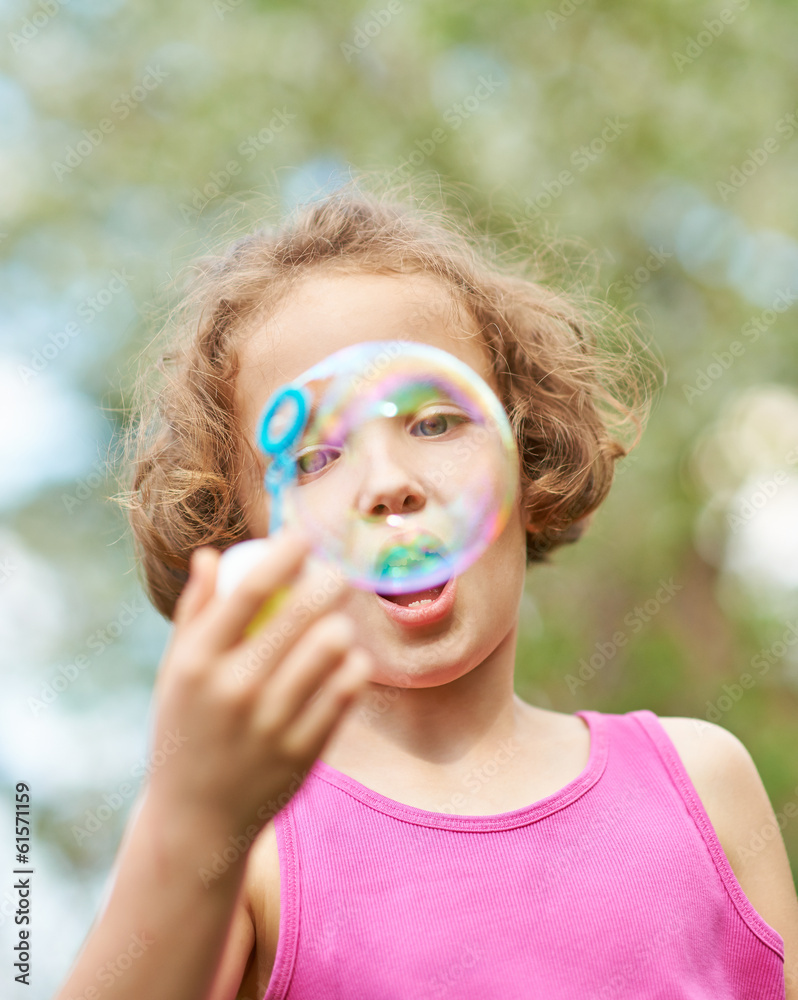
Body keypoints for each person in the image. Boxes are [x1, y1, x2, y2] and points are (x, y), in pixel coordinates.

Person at [54, 176, 798, 1000]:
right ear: (245, 540)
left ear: (528, 459)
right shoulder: (246, 847)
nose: (389, 484)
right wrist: (194, 827)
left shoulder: (701, 785)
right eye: (315, 456)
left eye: (434, 421)